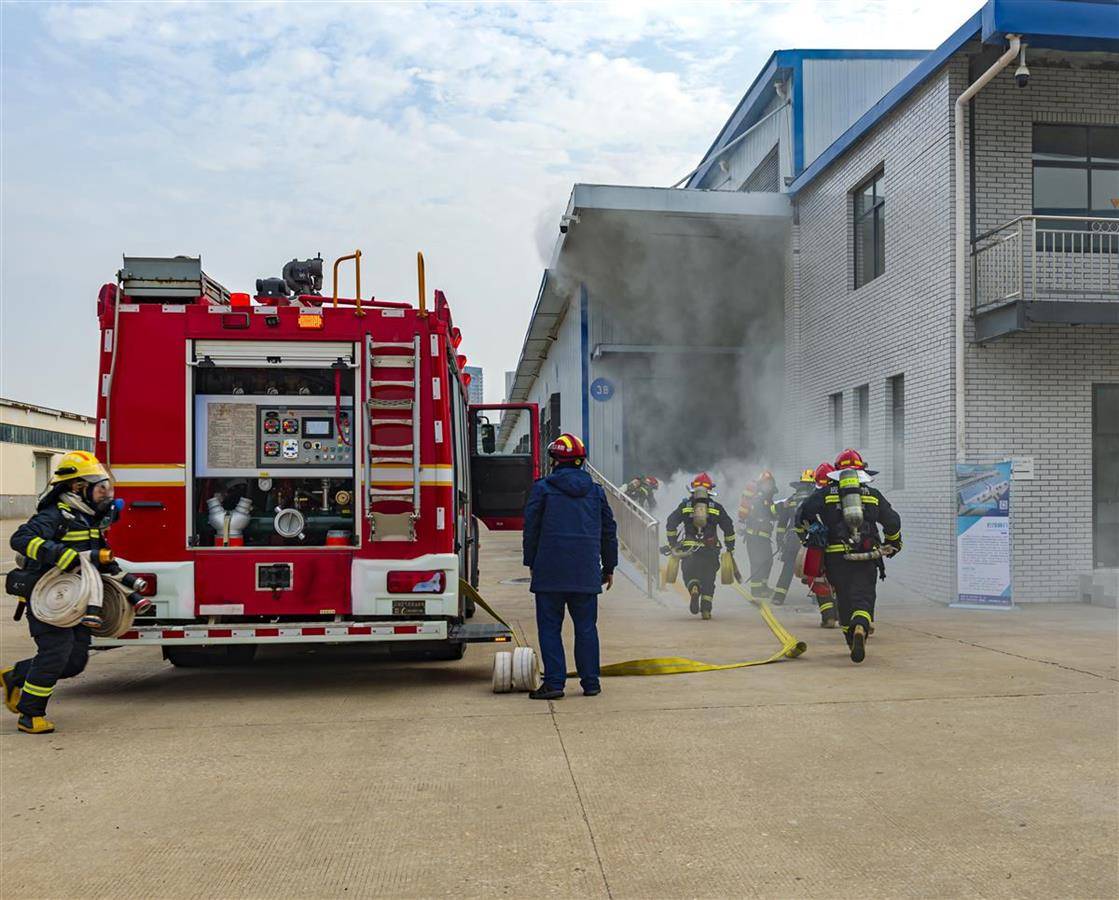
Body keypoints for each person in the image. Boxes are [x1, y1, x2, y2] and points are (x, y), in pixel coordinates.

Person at [1, 451, 148, 734]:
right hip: (51, 598)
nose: (105, 493)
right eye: (99, 487)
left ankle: (15, 675)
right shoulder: (55, 515)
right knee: (55, 653)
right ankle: (30, 714)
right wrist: (59, 554)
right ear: (77, 487)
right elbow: (20, 539)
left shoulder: (88, 518)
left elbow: (96, 557)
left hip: (78, 598)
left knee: (73, 661)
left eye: (106, 486)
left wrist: (126, 582)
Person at [522, 433, 617, 700]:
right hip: (585, 572)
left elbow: (531, 529)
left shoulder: (543, 489)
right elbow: (609, 531)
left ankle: (554, 684)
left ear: (555, 460)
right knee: (586, 628)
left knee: (550, 628)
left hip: (550, 571)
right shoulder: (596, 492)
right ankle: (591, 683)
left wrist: (531, 561)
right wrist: (609, 566)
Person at [796, 449, 901, 663]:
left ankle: (850, 638)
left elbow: (802, 514)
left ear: (837, 471)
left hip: (836, 557)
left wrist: (810, 535)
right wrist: (893, 542)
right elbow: (892, 520)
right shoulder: (872, 494)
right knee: (864, 595)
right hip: (868, 554)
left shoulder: (825, 494)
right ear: (861, 470)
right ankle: (861, 625)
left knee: (843, 597)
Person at [664, 473, 737, 620]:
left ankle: (693, 588)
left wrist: (673, 543)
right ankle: (706, 609)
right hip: (710, 550)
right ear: (710, 490)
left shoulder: (685, 505)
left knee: (689, 575)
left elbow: (671, 522)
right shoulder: (716, 507)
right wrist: (730, 548)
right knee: (709, 579)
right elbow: (728, 528)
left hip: (689, 550)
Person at [770, 469, 820, 608]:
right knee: (814, 568)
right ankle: (818, 597)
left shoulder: (790, 501)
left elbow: (781, 524)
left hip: (792, 538)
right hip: (811, 538)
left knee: (787, 569)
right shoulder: (816, 499)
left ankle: (778, 597)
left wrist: (780, 540)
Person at [737, 470, 778, 601]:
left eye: (770, 483)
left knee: (768, 561)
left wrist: (780, 509)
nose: (769, 486)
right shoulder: (756, 497)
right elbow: (746, 511)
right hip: (754, 535)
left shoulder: (768, 498)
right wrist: (742, 522)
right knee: (757, 562)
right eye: (767, 483)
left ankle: (763, 586)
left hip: (764, 536)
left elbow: (772, 513)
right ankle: (756, 589)